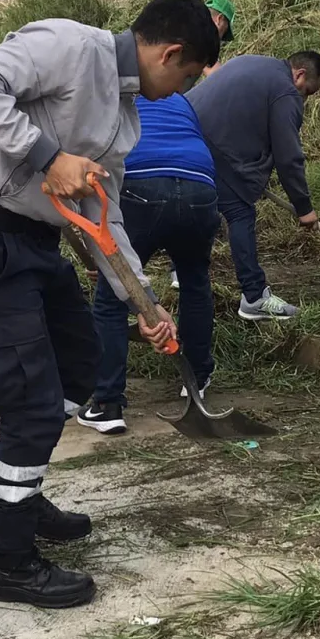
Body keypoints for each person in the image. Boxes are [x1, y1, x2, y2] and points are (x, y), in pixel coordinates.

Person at [0, 0, 220, 609]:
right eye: (186, 76)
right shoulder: (69, 47)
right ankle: (9, 560)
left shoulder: (124, 115)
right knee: (31, 400)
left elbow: (100, 219)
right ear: (171, 53)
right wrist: (47, 155)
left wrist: (144, 305)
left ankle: (21, 496)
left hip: (35, 245)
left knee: (77, 366)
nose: (181, 90)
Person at [76, 88, 220, 435]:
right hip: (200, 185)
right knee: (195, 281)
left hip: (142, 182)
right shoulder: (180, 98)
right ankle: (196, 379)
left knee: (113, 295)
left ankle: (107, 402)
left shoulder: (113, 96)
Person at [187, 50, 320, 320]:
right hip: (210, 145)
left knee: (201, 209)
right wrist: (304, 208)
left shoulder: (254, 62)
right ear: (299, 74)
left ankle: (180, 272)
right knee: (240, 212)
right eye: (308, 91)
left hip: (183, 129)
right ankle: (254, 297)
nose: (305, 99)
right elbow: (289, 157)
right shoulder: (285, 91)